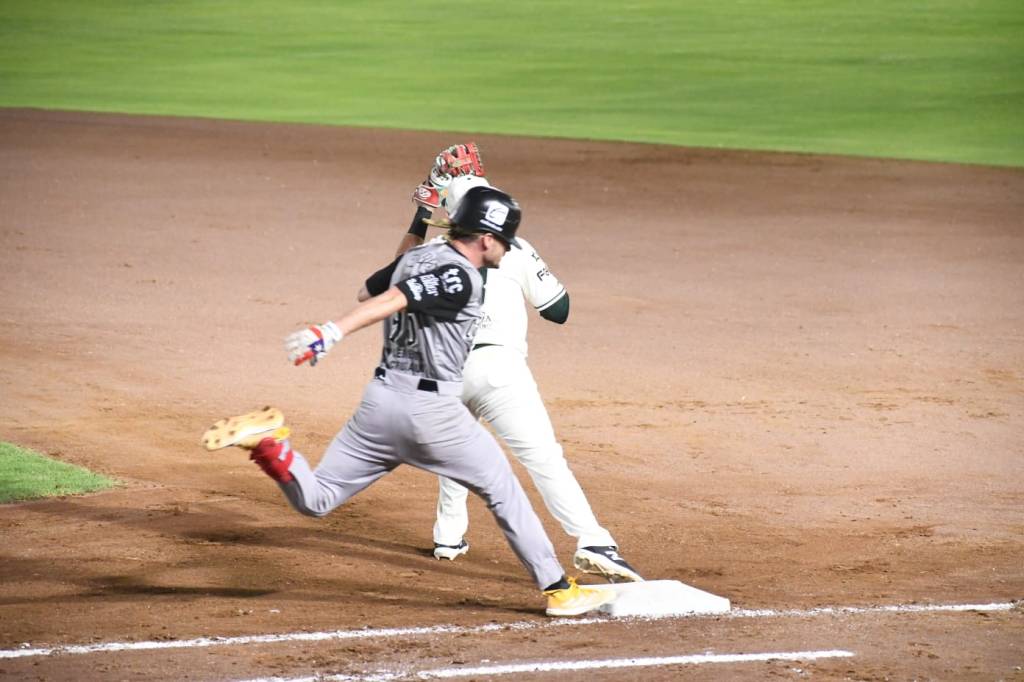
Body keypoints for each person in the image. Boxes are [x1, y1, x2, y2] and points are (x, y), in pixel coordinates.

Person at [202, 186, 615, 617]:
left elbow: (369, 290)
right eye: (506, 241)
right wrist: (331, 332)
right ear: (487, 238)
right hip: (432, 413)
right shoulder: (463, 275)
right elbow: (394, 298)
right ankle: (560, 591)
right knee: (500, 486)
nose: (507, 249)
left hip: (379, 405)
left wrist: (421, 217)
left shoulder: (415, 258)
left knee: (318, 499)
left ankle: (269, 446)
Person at [399, 144, 643, 583]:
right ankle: (593, 540)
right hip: (500, 370)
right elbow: (559, 310)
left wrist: (423, 212)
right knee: (544, 458)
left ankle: (448, 538)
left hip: (444, 373)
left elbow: (394, 277)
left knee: (458, 449)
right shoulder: (513, 249)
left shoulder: (431, 254)